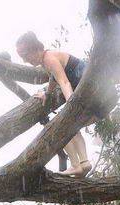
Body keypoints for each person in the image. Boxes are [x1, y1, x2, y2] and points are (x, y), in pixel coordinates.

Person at [15, 31, 93, 177]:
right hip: (86, 89)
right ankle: (83, 163)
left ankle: (78, 164)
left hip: (87, 89)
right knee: (68, 127)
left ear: (35, 48)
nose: (25, 61)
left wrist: (71, 106)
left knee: (62, 126)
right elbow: (53, 78)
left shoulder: (49, 58)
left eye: (25, 55)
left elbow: (64, 81)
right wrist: (48, 93)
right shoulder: (46, 60)